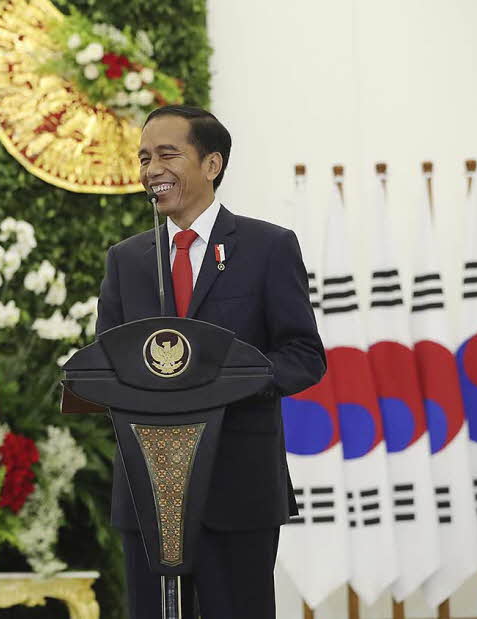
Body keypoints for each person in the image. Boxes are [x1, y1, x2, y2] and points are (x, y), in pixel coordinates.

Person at [95, 105, 325, 618]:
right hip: (147, 490)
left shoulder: (267, 247)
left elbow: (303, 356)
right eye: (144, 157)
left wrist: (232, 380)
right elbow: (106, 362)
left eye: (168, 154)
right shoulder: (127, 259)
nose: (152, 169)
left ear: (212, 164)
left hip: (237, 485)